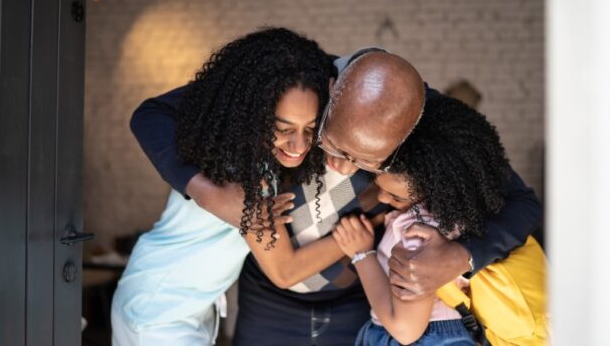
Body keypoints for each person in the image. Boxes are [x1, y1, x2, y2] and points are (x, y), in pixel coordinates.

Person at [130, 47, 542, 345]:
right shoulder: (296, 83)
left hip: (358, 302)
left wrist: (463, 256)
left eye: (366, 161)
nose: (344, 166)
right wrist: (208, 193)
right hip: (269, 301)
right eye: (336, 146)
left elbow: (522, 203)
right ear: (331, 92)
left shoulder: (428, 120)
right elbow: (152, 115)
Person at [111, 27, 339, 346]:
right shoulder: (240, 172)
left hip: (181, 308)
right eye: (282, 128)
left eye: (310, 129)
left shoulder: (253, 160)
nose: (299, 144)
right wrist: (356, 240)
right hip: (159, 313)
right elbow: (285, 271)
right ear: (254, 113)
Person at [333, 95, 524, 345]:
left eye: (394, 196)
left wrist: (361, 255)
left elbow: (405, 329)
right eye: (379, 185)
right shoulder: (448, 217)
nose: (382, 197)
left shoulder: (417, 234)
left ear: (433, 189)